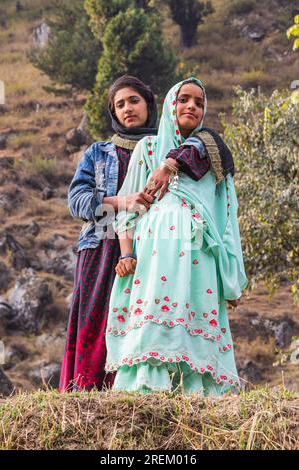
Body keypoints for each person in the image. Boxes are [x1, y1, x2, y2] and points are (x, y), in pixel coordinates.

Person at [105, 77, 248, 395]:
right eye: (184, 99)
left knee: (194, 312)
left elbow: (227, 218)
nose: (192, 107)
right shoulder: (149, 148)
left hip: (201, 253)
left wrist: (232, 274)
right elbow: (128, 207)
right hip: (157, 252)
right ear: (171, 104)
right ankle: (148, 385)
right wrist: (127, 252)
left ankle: (195, 389)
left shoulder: (213, 156)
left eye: (199, 102)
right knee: (157, 311)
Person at [59, 75, 158, 392]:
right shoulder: (98, 153)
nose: (128, 108)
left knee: (141, 317)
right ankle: (87, 389)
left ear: (148, 105)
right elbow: (77, 201)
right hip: (101, 246)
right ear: (113, 114)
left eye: (133, 100)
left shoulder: (165, 153)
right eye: (120, 104)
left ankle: (133, 389)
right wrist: (121, 201)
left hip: (152, 247)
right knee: (96, 319)